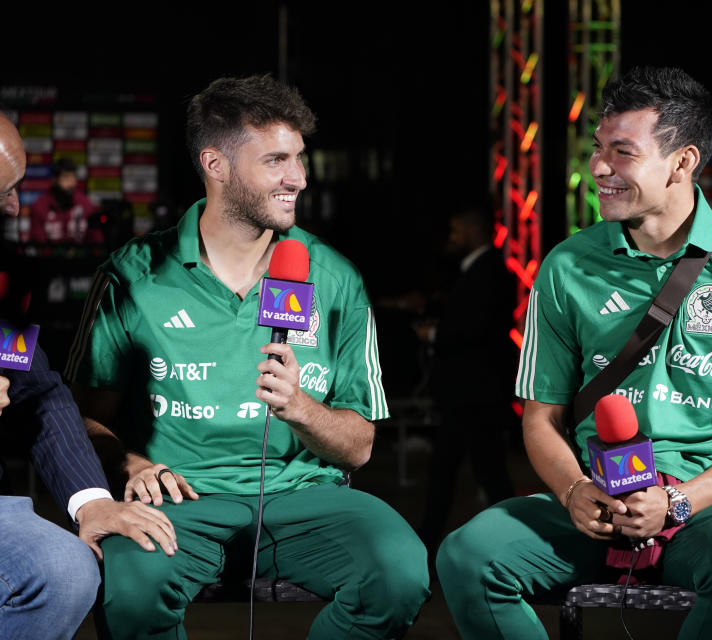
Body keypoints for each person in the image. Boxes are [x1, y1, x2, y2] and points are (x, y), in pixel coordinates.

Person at [437, 66, 712, 640]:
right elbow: (541, 419)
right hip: (595, 504)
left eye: (622, 152)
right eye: (598, 148)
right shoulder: (565, 266)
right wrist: (572, 491)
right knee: (467, 554)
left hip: (705, 509)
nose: (600, 168)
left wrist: (677, 502)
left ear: (683, 162)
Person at [65, 75, 430, 639]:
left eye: (300, 159)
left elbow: (358, 447)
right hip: (178, 504)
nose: (299, 179)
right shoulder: (133, 274)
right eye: (276, 161)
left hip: (305, 499)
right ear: (216, 164)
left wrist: (303, 408)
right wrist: (130, 464)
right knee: (129, 593)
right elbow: (83, 418)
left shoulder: (334, 278)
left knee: (400, 573)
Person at [1, 113, 176, 640]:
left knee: (67, 570)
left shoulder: (7, 279)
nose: (13, 207)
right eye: (4, 191)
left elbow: (39, 395)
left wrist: (93, 500)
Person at [416, 206, 517, 565]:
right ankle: (426, 546)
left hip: (476, 394)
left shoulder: (489, 271)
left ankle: (426, 547)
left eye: (456, 230)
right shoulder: (473, 271)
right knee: (476, 472)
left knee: (468, 473)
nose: (451, 238)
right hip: (470, 394)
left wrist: (436, 334)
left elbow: (478, 329)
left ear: (474, 231)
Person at [28, 156, 102, 245]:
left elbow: (96, 240)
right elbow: (38, 243)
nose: (71, 183)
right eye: (66, 177)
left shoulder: (84, 203)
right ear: (54, 180)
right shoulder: (40, 205)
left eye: (73, 177)